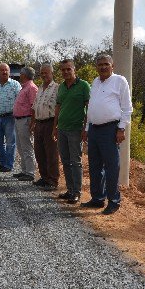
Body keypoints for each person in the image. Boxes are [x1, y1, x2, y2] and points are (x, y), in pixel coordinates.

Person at [81, 54, 133, 215]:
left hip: (110, 129)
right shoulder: (95, 82)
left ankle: (114, 201)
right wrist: (87, 129)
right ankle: (97, 198)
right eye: (100, 65)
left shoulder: (119, 81)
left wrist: (121, 129)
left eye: (106, 64)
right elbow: (91, 108)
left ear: (112, 66)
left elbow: (127, 108)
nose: (103, 67)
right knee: (95, 166)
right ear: (96, 67)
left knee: (111, 167)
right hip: (94, 129)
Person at [54, 59, 91, 204]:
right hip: (61, 129)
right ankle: (69, 190)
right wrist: (54, 127)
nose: (66, 72)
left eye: (68, 69)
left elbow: (89, 108)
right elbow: (58, 107)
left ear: (74, 69)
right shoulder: (61, 87)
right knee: (65, 161)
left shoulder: (84, 86)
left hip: (76, 129)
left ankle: (77, 192)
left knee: (75, 162)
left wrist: (85, 128)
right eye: (63, 70)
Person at [0, 63, 21, 172]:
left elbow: (20, 101)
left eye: (6, 70)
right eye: (2, 70)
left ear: (9, 72)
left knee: (11, 143)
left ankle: (9, 165)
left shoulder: (15, 84)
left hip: (10, 118)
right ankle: (3, 162)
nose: (4, 72)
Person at [30, 63, 60, 191]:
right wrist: (33, 123)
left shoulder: (57, 88)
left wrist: (55, 126)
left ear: (52, 73)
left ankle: (52, 180)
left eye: (46, 72)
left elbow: (59, 108)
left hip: (50, 123)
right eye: (42, 73)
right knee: (39, 152)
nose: (43, 75)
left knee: (51, 153)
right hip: (39, 123)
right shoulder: (40, 88)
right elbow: (34, 107)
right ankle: (44, 177)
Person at [12, 66, 38, 181]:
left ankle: (30, 172)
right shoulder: (24, 87)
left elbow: (34, 106)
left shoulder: (31, 88)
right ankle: (24, 170)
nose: (19, 75)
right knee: (21, 146)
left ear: (25, 75)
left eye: (21, 73)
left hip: (26, 120)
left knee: (27, 147)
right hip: (19, 120)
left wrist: (32, 122)